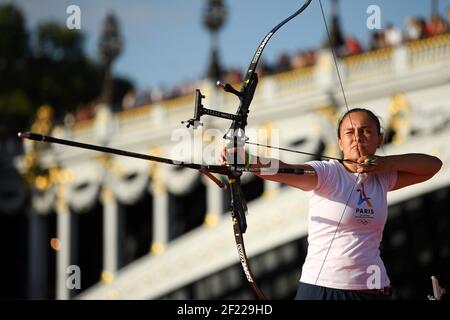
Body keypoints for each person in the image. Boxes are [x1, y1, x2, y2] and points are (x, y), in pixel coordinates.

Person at [219, 108, 442, 300]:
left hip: (373, 287)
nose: (358, 137)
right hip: (324, 288)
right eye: (350, 132)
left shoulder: (383, 178)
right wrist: (246, 160)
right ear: (340, 142)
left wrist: (386, 163)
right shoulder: (327, 173)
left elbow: (433, 165)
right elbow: (284, 169)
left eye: (366, 131)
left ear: (379, 139)